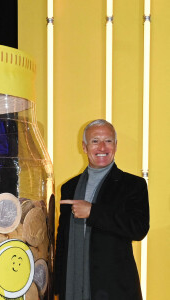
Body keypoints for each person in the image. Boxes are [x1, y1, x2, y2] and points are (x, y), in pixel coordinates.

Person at [54, 119, 150, 300]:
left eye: (108, 141)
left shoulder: (133, 185)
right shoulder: (69, 187)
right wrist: (57, 287)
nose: (102, 147)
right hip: (72, 286)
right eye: (95, 141)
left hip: (115, 287)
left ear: (115, 145)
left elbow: (138, 229)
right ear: (84, 146)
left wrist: (93, 212)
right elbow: (63, 240)